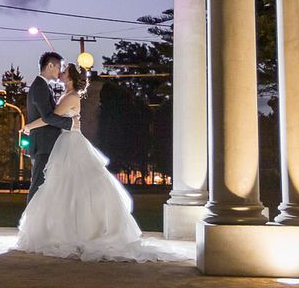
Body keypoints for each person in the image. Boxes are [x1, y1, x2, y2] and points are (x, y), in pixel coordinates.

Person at [16, 63, 184, 263]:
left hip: (71, 142)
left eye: (64, 72)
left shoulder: (71, 97)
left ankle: (77, 232)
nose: (60, 73)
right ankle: (70, 230)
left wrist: (28, 126)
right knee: (66, 187)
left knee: (69, 186)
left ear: (70, 77)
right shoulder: (67, 94)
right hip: (66, 140)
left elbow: (50, 118)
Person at [24, 51, 74, 199]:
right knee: (38, 184)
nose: (60, 72)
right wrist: (71, 123)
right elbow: (48, 117)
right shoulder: (40, 86)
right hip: (43, 145)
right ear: (50, 65)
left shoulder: (43, 86)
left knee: (44, 186)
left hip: (45, 144)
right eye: (59, 67)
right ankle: (30, 221)